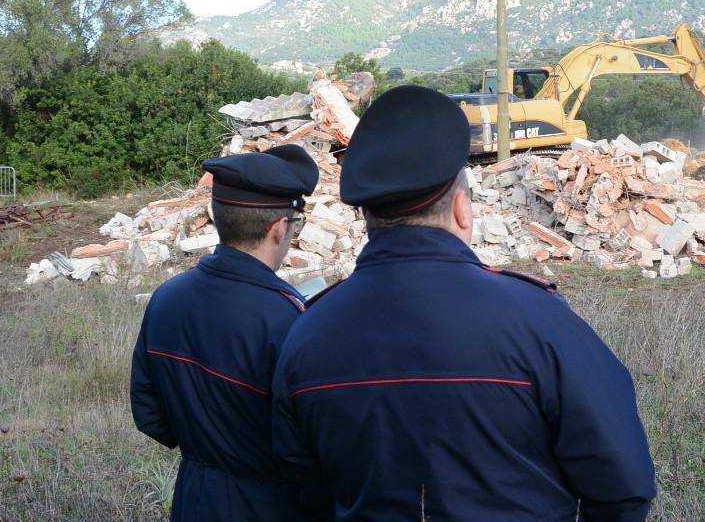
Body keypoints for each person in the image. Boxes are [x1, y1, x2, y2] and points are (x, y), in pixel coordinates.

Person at [272, 86, 656, 521]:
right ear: (463, 210)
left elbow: (302, 488)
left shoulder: (306, 334)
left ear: (365, 217)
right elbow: (623, 486)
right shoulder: (540, 321)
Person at [131, 145, 324, 522]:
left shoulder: (167, 298)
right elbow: (311, 445)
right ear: (280, 227)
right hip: (272, 506)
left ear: (217, 217)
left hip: (195, 499)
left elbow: (150, 415)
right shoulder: (291, 319)